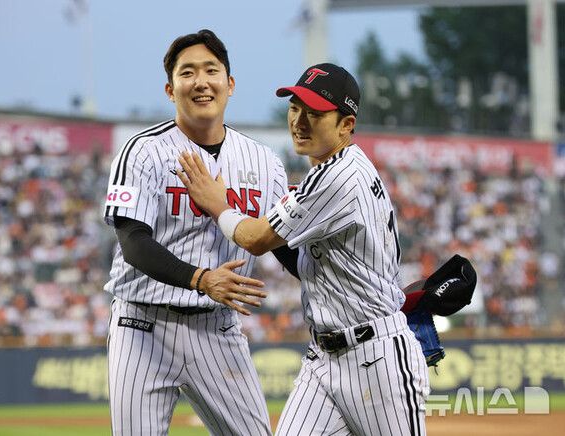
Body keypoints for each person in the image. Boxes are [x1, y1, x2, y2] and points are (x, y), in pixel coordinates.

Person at [178, 62, 430, 435]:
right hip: (325, 358)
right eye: (295, 108)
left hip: (376, 360)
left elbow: (256, 239)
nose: (299, 121)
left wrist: (218, 205)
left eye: (315, 113)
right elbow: (298, 258)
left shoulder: (339, 176)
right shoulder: (336, 169)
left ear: (346, 125)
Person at [103, 29, 290, 436]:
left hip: (218, 327)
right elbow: (133, 243)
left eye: (211, 70)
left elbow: (284, 247)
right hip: (143, 327)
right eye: (187, 73)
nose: (201, 81)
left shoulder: (264, 162)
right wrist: (202, 279)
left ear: (230, 84)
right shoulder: (143, 151)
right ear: (170, 90)